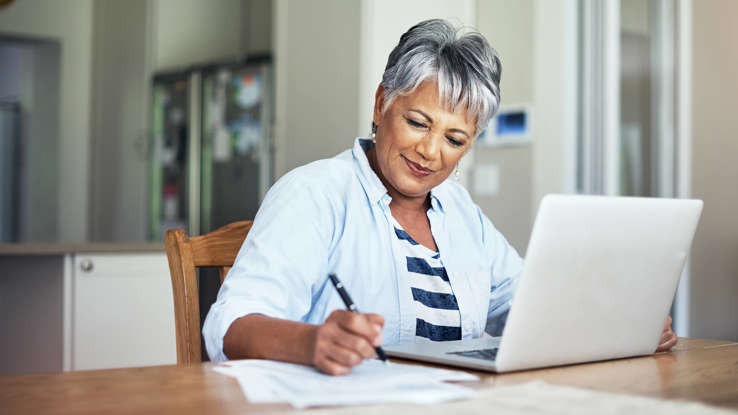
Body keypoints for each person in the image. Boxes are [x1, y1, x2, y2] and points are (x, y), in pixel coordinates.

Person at [202, 19, 677, 375]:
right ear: (381, 103)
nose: (430, 153)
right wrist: (310, 343)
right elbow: (229, 326)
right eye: (417, 123)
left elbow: (524, 305)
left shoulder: (459, 209)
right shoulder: (315, 194)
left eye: (455, 139)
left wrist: (618, 324)